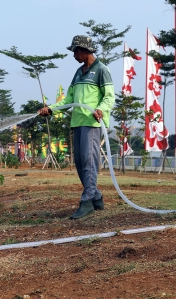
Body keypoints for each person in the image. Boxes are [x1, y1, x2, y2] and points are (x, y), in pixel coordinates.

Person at [38, 35, 115, 219]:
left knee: (89, 162)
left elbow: (109, 97)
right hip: (78, 123)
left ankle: (87, 201)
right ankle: (96, 197)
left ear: (86, 50)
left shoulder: (102, 70)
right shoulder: (79, 72)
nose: (74, 55)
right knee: (80, 165)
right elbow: (69, 99)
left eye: (76, 51)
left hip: (92, 123)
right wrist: (51, 109)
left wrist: (100, 110)